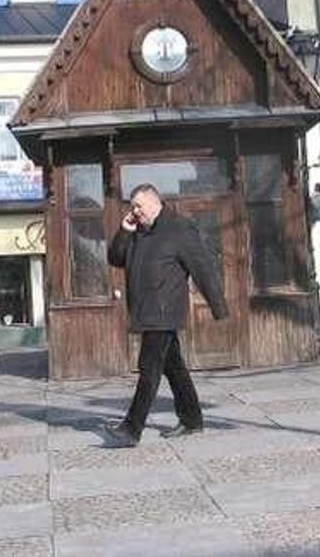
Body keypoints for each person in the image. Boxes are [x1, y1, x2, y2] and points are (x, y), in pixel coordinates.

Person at [103, 183, 228, 447]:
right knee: (173, 366)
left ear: (153, 202)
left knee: (149, 368)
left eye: (138, 206)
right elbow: (115, 258)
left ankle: (131, 428)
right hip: (145, 309)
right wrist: (124, 231)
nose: (135, 211)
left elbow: (202, 266)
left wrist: (218, 306)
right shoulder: (137, 231)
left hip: (164, 310)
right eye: (132, 206)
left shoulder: (179, 228)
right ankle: (192, 420)